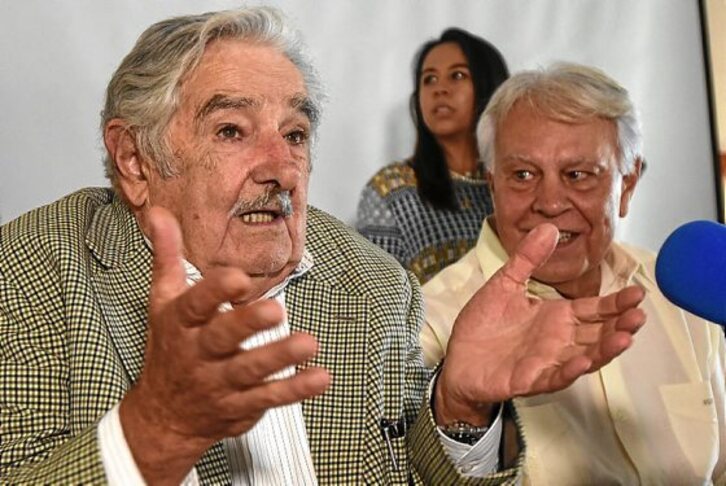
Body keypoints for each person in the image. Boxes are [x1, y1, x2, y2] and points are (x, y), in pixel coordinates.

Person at [0, 9, 647, 484]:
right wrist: (156, 433)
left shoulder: (373, 284)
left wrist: (460, 407)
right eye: (231, 130)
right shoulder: (30, 272)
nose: (280, 168)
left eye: (295, 134)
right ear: (135, 160)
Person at [421, 62, 726, 484]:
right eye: (523, 175)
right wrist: (461, 409)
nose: (549, 202)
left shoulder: (684, 291)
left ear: (628, 184)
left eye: (578, 175)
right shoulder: (429, 322)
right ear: (492, 185)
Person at [356, 28, 508, 284]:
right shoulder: (392, 190)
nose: (440, 89)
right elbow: (376, 295)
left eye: (457, 75)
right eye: (429, 79)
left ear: (489, 86)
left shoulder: (519, 183)